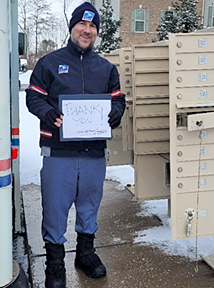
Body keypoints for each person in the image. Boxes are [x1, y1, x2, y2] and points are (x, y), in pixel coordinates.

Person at [26, 2, 125, 287]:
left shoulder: (106, 68)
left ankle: (86, 253)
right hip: (59, 151)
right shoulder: (49, 62)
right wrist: (47, 112)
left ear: (96, 32)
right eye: (83, 24)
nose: (87, 30)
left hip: (93, 151)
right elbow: (33, 97)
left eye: (93, 26)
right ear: (73, 28)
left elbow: (118, 99)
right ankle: (55, 263)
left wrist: (116, 112)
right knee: (55, 208)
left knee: (89, 205)